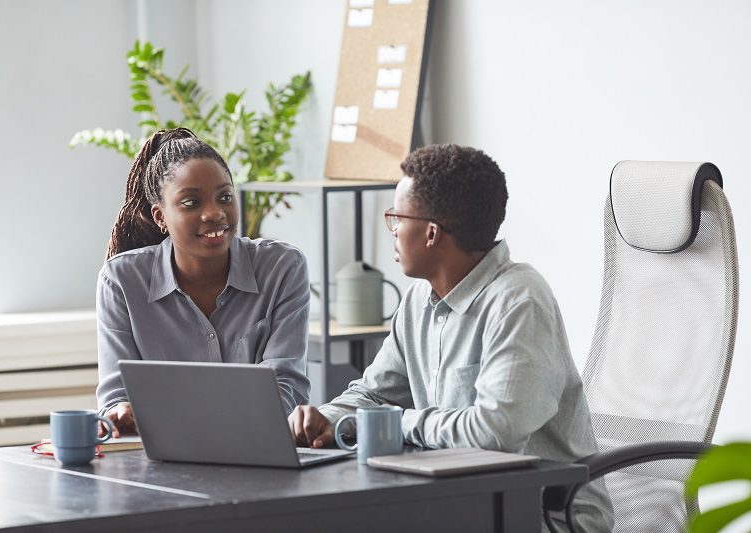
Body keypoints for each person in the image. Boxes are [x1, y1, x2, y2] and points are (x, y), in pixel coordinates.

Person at [288, 144, 613, 531]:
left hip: (543, 515)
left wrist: (394, 423)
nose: (392, 231)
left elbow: (494, 435)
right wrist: (328, 417)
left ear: (430, 233)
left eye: (396, 218)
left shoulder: (519, 301)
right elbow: (375, 395)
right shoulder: (417, 302)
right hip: (457, 504)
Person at [96, 128, 310, 436]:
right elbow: (115, 397)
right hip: (160, 460)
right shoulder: (122, 281)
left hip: (256, 451)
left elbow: (286, 389)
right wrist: (121, 412)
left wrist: (168, 414)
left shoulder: (282, 268)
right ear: (160, 216)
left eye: (225, 197)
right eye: (191, 203)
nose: (214, 213)